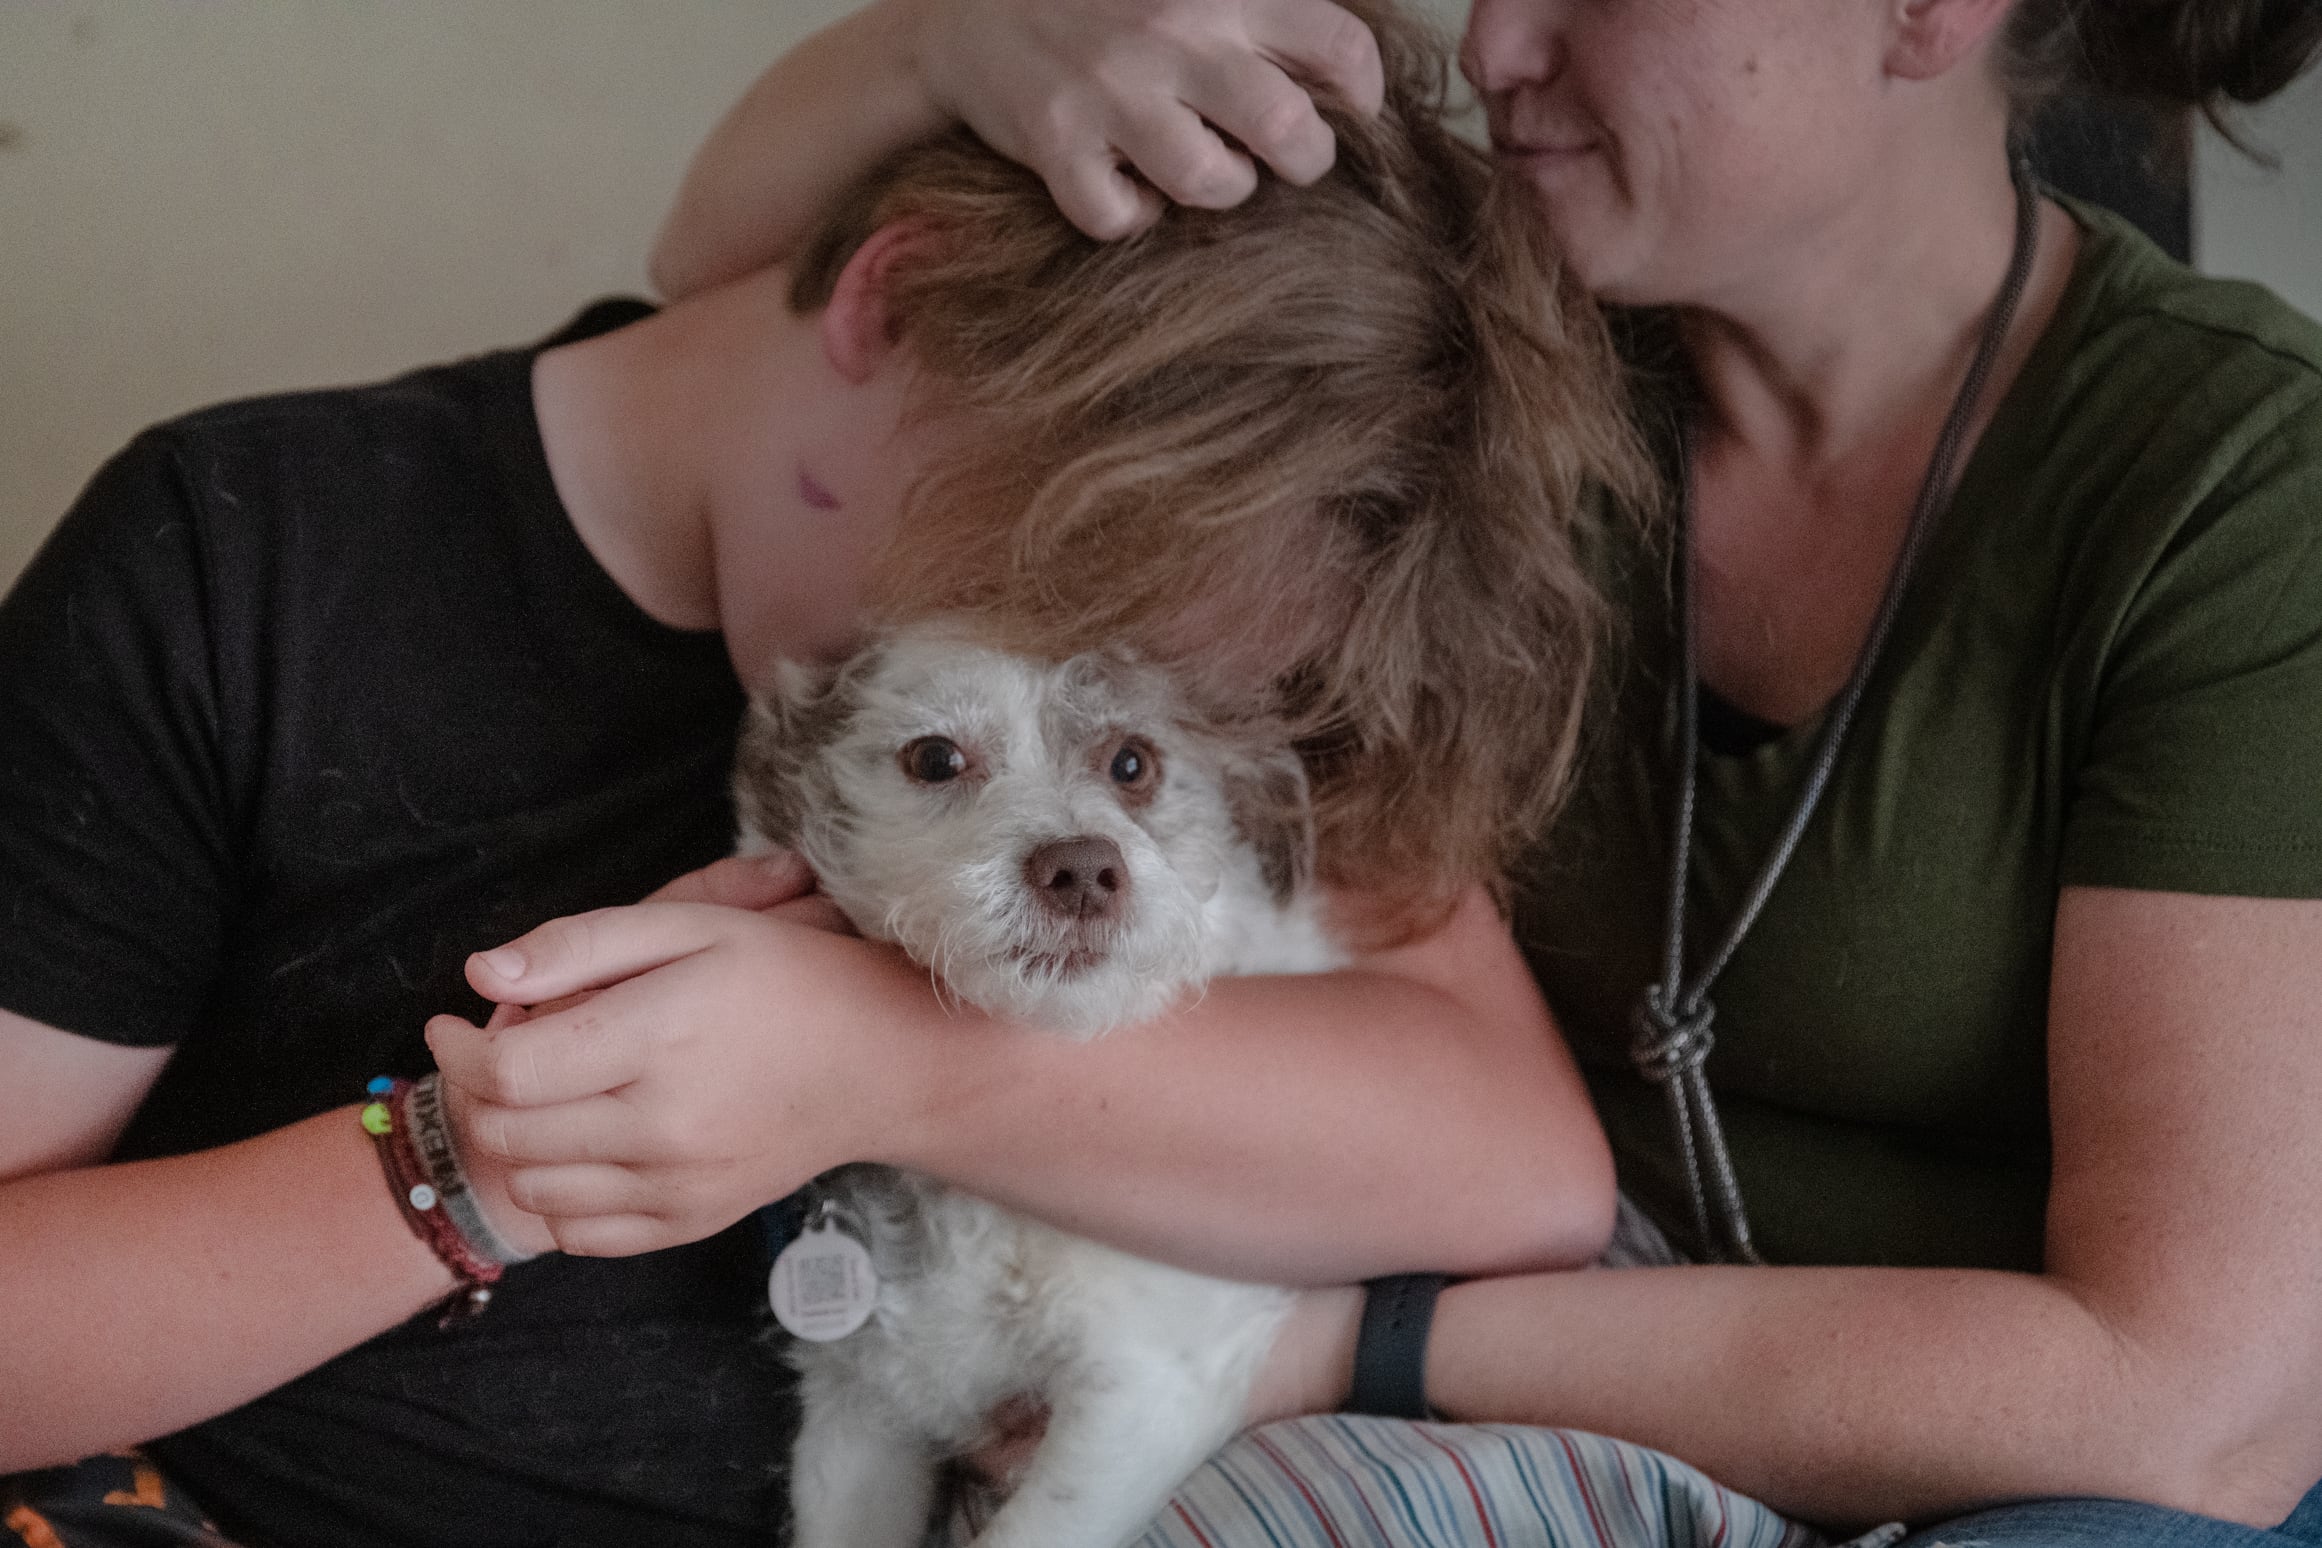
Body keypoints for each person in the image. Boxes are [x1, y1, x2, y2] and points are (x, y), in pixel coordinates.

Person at [512, 0, 2322, 1544]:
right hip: (1503, 1382)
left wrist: (1320, 1351)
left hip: (2021, 1476)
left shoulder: (2236, 496)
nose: (1499, 42)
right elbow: (727, 286)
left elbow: (2197, 1417)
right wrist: (961, 37)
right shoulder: (1468, 374)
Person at [0, 20, 1645, 1542]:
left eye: (1144, 722)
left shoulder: (1221, 606)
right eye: (1061, 596)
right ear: (895, 300)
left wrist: (875, 1060)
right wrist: (477, 1165)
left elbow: (1518, 1161)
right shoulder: (246, 560)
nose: (1091, 734)